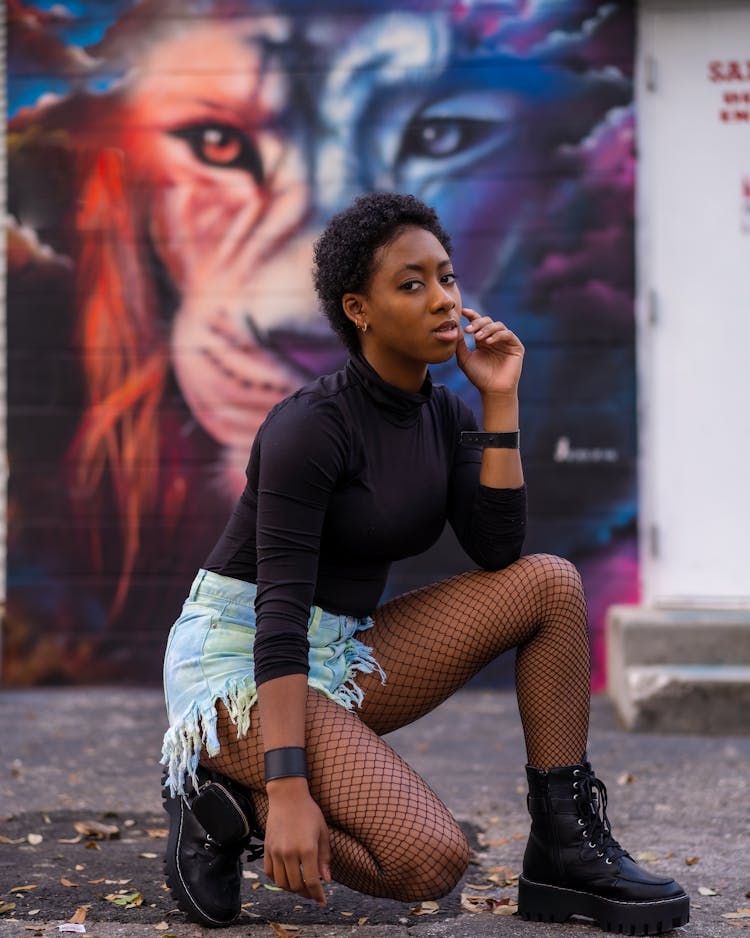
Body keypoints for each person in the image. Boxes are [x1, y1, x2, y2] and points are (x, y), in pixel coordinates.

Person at [160, 192, 688, 935]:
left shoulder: (445, 415)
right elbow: (277, 612)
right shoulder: (309, 427)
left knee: (550, 584)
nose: (443, 300)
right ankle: (224, 802)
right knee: (429, 863)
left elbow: (499, 555)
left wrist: (499, 400)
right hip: (240, 664)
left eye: (447, 278)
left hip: (337, 652)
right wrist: (286, 791)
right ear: (359, 309)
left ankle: (564, 844)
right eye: (412, 285)